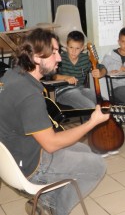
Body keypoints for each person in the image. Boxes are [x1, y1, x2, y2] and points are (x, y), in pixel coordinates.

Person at [0, 28, 109, 215]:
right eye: (55, 52)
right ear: (36, 56)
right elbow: (50, 144)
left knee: (84, 150)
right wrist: (91, 123)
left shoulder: (13, 75)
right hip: (31, 165)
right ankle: (54, 209)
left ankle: (45, 200)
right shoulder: (29, 94)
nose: (59, 58)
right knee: (98, 165)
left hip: (14, 154)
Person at [53, 30, 107, 109]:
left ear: (82, 48)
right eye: (71, 47)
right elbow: (52, 76)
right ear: (66, 46)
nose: (73, 51)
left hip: (81, 89)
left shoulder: (85, 59)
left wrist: (100, 73)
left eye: (77, 48)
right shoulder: (60, 58)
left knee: (104, 103)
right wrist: (66, 78)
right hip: (64, 91)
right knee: (90, 106)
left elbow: (102, 68)